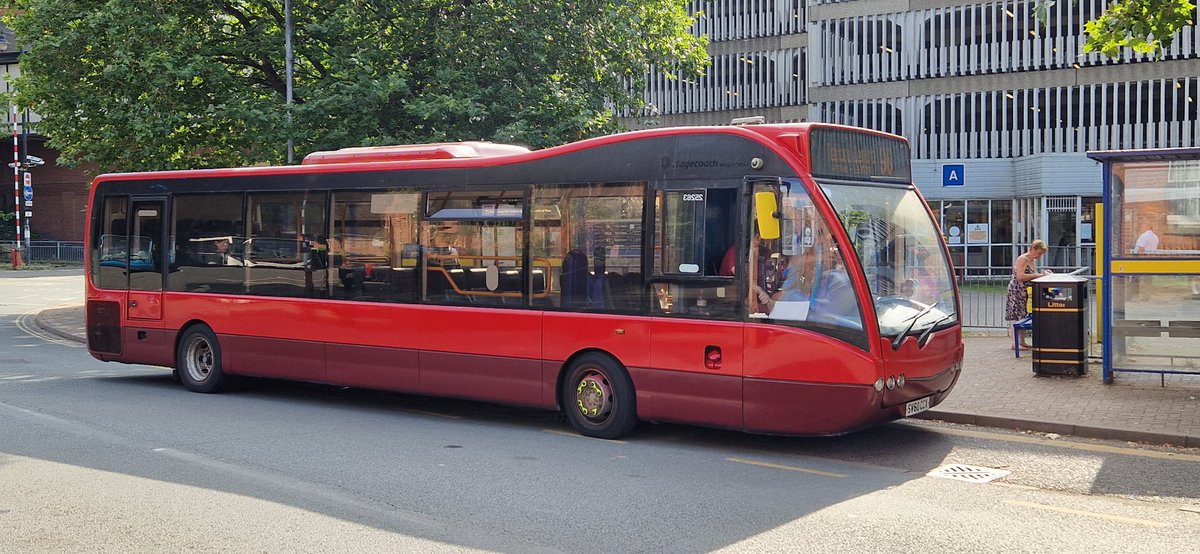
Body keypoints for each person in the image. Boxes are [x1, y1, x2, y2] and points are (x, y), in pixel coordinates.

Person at [1006, 239, 1051, 349]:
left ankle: (1021, 341)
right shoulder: (1023, 259)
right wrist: (1040, 275)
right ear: (1033, 249)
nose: (1040, 256)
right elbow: (1020, 276)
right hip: (1017, 290)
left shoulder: (1031, 261)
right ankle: (1014, 342)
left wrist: (1041, 274)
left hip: (1025, 291)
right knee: (1015, 315)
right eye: (1039, 253)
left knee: (1022, 315)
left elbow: (1032, 275)